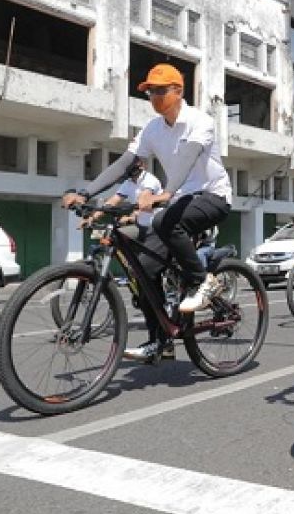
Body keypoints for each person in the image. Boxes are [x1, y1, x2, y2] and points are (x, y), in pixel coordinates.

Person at [62, 63, 233, 363]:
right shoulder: (152, 129)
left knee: (165, 220)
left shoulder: (199, 121)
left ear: (178, 91)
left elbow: (187, 161)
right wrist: (87, 193)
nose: (154, 96)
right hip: (179, 200)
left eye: (160, 90)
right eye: (150, 91)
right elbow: (124, 164)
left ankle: (202, 280)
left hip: (212, 196)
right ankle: (161, 341)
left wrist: (164, 193)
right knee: (143, 270)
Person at [81, 159, 163, 243]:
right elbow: (113, 201)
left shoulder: (150, 180)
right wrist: (92, 217)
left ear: (141, 165)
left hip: (155, 229)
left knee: (144, 256)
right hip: (140, 226)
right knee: (113, 237)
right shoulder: (128, 183)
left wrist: (131, 217)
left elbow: (144, 199)